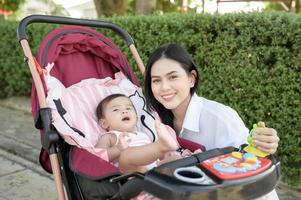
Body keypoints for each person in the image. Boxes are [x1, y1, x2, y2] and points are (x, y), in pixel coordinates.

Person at [143, 43, 280, 199]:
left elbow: (249, 161)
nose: (164, 87)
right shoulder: (155, 121)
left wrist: (263, 143)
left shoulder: (220, 118)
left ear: (191, 79)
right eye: (156, 80)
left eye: (173, 77)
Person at [95, 93, 190, 173]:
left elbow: (154, 155)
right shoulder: (110, 136)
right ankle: (161, 145)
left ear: (136, 118)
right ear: (104, 123)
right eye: (116, 109)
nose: (124, 111)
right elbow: (98, 157)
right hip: (132, 173)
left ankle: (191, 160)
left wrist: (164, 154)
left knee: (176, 159)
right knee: (127, 155)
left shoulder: (142, 135)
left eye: (128, 108)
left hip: (155, 169)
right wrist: (118, 148)